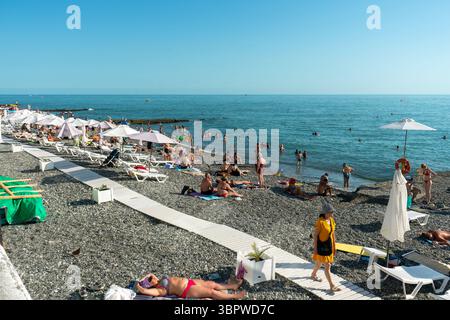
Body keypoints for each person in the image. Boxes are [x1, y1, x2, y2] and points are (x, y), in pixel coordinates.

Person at [136, 273, 246, 300]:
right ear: (150, 285)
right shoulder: (160, 289)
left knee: (211, 284)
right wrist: (143, 290)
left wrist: (146, 279)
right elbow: (154, 293)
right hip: (187, 289)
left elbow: (150, 274)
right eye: (150, 280)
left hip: (190, 282)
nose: (153, 277)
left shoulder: (160, 279)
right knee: (211, 292)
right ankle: (234, 296)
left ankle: (232, 286)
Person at [311, 203, 341, 292]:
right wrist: (315, 249)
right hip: (322, 246)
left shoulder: (331, 220)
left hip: (329, 245)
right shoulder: (320, 222)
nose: (332, 214)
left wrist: (334, 246)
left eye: (332, 212)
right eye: (330, 212)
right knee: (327, 266)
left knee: (319, 263)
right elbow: (315, 236)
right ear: (325, 213)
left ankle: (313, 275)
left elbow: (333, 234)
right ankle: (332, 285)